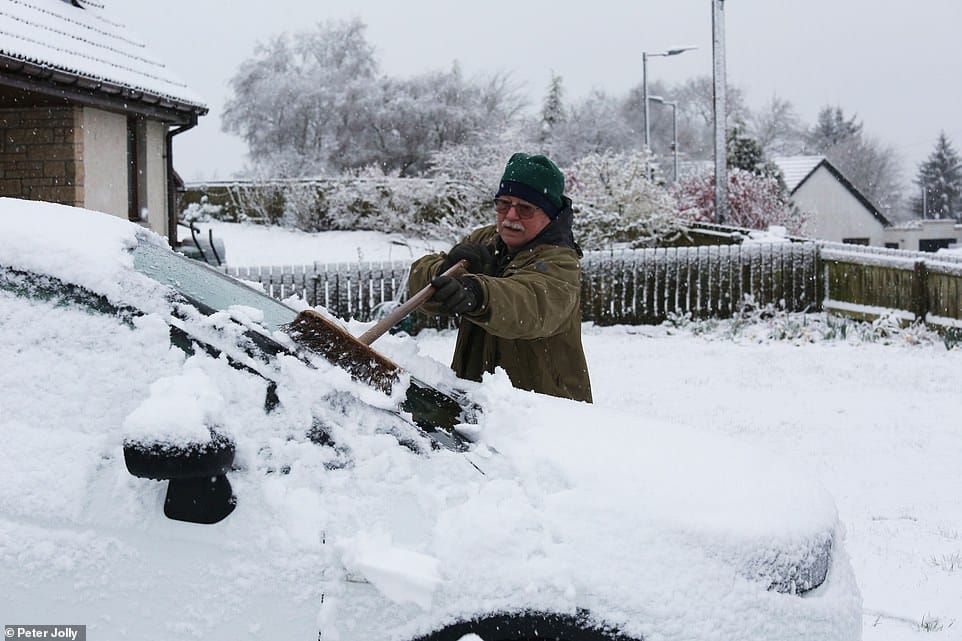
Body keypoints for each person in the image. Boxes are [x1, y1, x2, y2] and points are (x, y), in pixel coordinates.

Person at [408, 152, 592, 403]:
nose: (510, 216)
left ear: (549, 214)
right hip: (477, 406)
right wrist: (444, 270)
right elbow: (420, 275)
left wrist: (478, 293)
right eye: (503, 204)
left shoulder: (560, 263)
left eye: (525, 208)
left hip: (542, 415)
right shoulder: (485, 240)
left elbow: (529, 303)